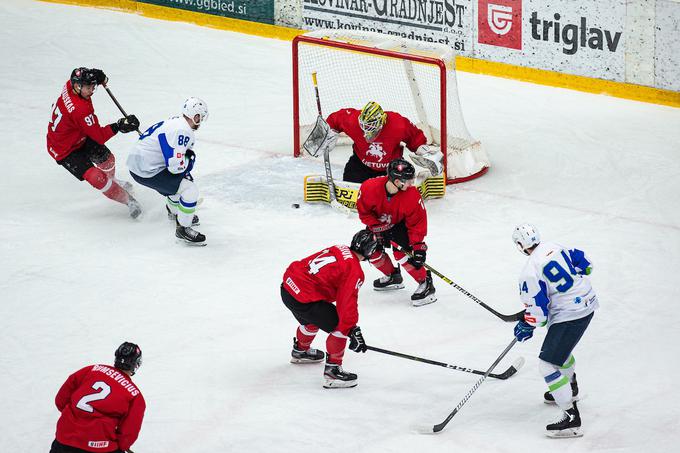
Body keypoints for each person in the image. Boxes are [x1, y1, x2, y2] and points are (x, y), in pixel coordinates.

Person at [511, 223, 599, 438]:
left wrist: (526, 325)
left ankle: (570, 418)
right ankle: (571, 388)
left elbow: (539, 317)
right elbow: (587, 265)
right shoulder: (556, 247)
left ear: (520, 245)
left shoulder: (529, 271)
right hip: (588, 304)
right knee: (561, 353)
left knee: (547, 365)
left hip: (570, 315)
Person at [280, 229, 378, 388]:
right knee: (341, 325)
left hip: (288, 289)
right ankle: (333, 372)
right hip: (303, 297)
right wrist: (352, 329)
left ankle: (301, 351)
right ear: (370, 251)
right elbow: (346, 302)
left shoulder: (339, 248)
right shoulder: (354, 270)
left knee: (313, 318)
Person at [46, 67, 142, 218]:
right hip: (64, 150)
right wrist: (119, 125)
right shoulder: (80, 109)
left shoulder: (69, 85)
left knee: (108, 160)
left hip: (78, 135)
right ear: (78, 86)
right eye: (88, 87)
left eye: (93, 86)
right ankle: (128, 200)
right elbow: (99, 136)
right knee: (97, 178)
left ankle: (113, 181)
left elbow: (81, 74)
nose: (92, 90)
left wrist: (97, 76)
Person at [127, 97, 208, 245]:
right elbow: (175, 166)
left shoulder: (175, 122)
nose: (201, 121)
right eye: (200, 117)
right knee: (190, 190)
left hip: (139, 165)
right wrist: (188, 163)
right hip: (146, 170)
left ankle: (175, 212)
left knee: (179, 183)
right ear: (195, 116)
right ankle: (183, 229)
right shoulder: (183, 130)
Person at [356, 158, 436, 307]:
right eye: (408, 180)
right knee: (368, 247)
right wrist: (377, 228)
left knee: (403, 254)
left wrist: (418, 246)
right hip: (378, 224)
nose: (411, 183)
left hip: (401, 225)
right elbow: (364, 212)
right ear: (397, 182)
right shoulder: (369, 187)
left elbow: (417, 223)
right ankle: (393, 276)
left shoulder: (412, 195)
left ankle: (425, 282)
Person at [309, 101, 442, 183]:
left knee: (398, 187)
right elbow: (335, 119)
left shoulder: (398, 123)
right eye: (364, 128)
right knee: (351, 180)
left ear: (382, 122)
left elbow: (414, 137)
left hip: (391, 168)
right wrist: (326, 132)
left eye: (371, 130)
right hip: (361, 165)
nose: (367, 134)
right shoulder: (352, 120)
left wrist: (422, 149)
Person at [50, 342, 146, 453]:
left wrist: (74, 419)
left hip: (63, 440)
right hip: (100, 447)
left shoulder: (91, 369)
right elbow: (128, 434)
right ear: (136, 364)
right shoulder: (135, 395)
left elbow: (61, 400)